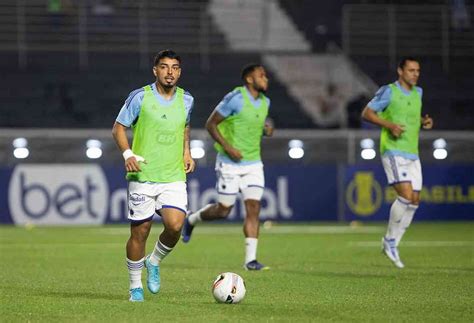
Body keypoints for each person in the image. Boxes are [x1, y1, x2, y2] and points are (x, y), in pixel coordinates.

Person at [112, 49, 195, 302]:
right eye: (164, 67)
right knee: (140, 232)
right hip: (143, 175)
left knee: (175, 226)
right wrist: (128, 155)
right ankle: (135, 286)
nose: (170, 72)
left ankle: (154, 260)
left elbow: (185, 125)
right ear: (155, 70)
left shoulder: (187, 99)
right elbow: (118, 128)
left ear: (179, 71)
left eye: (175, 67)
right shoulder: (140, 97)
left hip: (173, 174)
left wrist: (187, 152)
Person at [182, 63, 274, 271]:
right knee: (224, 210)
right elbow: (210, 124)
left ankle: (250, 260)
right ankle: (192, 219)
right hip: (229, 163)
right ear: (249, 79)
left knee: (254, 208)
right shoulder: (236, 98)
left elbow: (258, 126)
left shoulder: (265, 102)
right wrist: (228, 148)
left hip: (253, 164)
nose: (266, 78)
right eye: (261, 75)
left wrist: (267, 130)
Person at [361, 57, 433, 269]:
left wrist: (423, 122)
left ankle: (392, 244)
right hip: (393, 150)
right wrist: (389, 125)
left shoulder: (418, 93)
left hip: (412, 152)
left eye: (417, 70)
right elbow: (367, 113)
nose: (415, 74)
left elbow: (410, 115)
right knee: (406, 195)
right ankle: (390, 240)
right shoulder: (389, 91)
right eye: (411, 70)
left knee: (415, 201)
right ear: (400, 71)